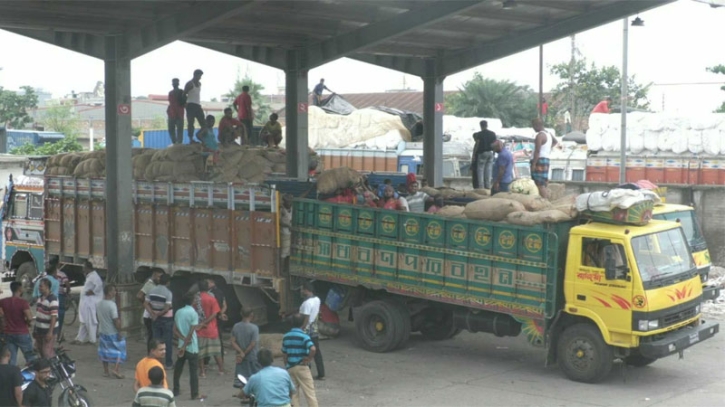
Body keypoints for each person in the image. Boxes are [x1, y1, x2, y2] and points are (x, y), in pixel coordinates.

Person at [281, 313, 318, 407]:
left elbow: (284, 353)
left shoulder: (286, 336)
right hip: (302, 367)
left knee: (293, 394)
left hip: (291, 367)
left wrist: (287, 365)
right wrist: (309, 358)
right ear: (303, 323)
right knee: (310, 393)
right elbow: (313, 348)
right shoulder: (304, 336)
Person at [173, 293, 203, 401]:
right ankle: (194, 393)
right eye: (195, 299)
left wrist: (182, 340)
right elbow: (191, 332)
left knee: (178, 369)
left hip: (181, 345)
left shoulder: (178, 312)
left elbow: (175, 330)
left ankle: (176, 390)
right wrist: (185, 344)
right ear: (192, 301)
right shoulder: (193, 313)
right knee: (193, 371)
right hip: (191, 347)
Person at [0, 282, 35, 366]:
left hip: (8, 333)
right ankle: (33, 375)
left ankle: (11, 376)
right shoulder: (23, 302)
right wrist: (28, 322)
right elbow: (29, 318)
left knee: (11, 358)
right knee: (30, 357)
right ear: (20, 289)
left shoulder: (3, 301)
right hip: (22, 333)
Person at [97, 284, 126, 379]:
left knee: (104, 351)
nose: (115, 292)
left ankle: (106, 371)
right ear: (109, 292)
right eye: (113, 290)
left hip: (102, 330)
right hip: (112, 331)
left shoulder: (99, 303)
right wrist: (119, 331)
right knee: (120, 350)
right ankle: (116, 369)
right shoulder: (112, 305)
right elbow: (115, 320)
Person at [196, 280, 224, 378]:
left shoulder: (196, 298)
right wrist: (206, 322)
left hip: (200, 329)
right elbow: (215, 313)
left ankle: (202, 372)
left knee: (201, 353)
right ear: (208, 287)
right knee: (216, 351)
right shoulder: (211, 298)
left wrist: (202, 323)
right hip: (212, 329)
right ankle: (221, 370)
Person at [146, 273, 174, 369]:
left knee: (156, 341)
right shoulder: (168, 293)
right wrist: (158, 314)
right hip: (166, 319)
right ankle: (168, 363)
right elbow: (166, 308)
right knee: (167, 341)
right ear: (168, 282)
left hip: (154, 319)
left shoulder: (152, 290)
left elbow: (146, 303)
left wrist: (152, 313)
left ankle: (155, 361)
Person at [231, 309, 260, 399]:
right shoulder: (254, 328)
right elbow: (253, 344)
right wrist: (245, 353)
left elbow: (232, 341)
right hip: (252, 356)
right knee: (254, 374)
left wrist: (240, 352)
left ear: (241, 314)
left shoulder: (236, 326)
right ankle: (254, 394)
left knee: (241, 375)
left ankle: (243, 394)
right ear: (252, 314)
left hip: (240, 357)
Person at [73, 260, 103, 345]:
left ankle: (92, 340)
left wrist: (94, 292)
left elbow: (99, 285)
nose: (83, 269)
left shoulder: (94, 276)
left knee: (90, 321)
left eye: (84, 267)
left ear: (87, 268)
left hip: (90, 302)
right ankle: (79, 338)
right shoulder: (89, 276)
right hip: (86, 302)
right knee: (84, 321)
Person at [299, 282, 324, 381]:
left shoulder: (307, 303)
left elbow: (306, 318)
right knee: (317, 351)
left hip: (307, 329)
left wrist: (301, 329)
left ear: (306, 290)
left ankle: (307, 373)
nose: (301, 291)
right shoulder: (317, 299)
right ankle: (321, 373)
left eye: (302, 289)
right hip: (314, 328)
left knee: (305, 351)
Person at [137, 269, 164, 352]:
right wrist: (148, 306)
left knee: (154, 336)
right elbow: (139, 295)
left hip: (154, 315)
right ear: (154, 275)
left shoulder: (157, 285)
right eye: (159, 277)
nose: (160, 279)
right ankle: (150, 353)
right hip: (149, 316)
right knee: (152, 336)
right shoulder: (149, 284)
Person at [531, 118, 558, 199]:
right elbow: (555, 141)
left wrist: (534, 164)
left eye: (533, 126)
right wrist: (548, 148)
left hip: (539, 160)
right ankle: (544, 199)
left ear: (537, 125)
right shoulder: (549, 134)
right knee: (543, 182)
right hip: (546, 159)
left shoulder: (540, 136)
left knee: (539, 184)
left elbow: (537, 151)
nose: (533, 128)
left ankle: (545, 201)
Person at [33, 279, 58, 359]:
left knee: (47, 352)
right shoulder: (40, 298)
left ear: (47, 287)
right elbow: (38, 315)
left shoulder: (53, 299)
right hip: (40, 330)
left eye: (41, 286)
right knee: (40, 350)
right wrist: (35, 329)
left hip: (47, 330)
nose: (39, 288)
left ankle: (51, 368)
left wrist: (50, 332)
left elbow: (53, 317)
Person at [205, 278, 227, 365]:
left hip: (212, 318)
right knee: (219, 338)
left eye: (207, 282)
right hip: (219, 317)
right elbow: (225, 305)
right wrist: (221, 313)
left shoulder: (210, 294)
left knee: (207, 338)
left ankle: (206, 359)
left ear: (212, 282)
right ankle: (221, 358)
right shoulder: (220, 292)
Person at [473, 120, 497, 190]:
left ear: (480, 126)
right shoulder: (492, 134)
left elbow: (477, 144)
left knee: (480, 169)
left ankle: (481, 187)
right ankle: (488, 186)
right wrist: (494, 153)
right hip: (490, 152)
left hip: (482, 153)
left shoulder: (479, 134)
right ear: (487, 125)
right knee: (488, 169)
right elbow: (495, 144)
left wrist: (474, 154)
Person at [184, 69, 206, 142]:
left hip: (197, 105)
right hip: (190, 105)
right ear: (195, 75)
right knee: (191, 123)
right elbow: (184, 94)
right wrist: (185, 103)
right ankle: (191, 139)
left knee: (203, 123)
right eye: (199, 76)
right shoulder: (190, 84)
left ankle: (201, 136)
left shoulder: (199, 84)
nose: (200, 77)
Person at [53, 258, 71, 343]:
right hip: (60, 296)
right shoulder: (61, 274)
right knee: (60, 316)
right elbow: (67, 285)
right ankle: (58, 335)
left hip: (50, 297)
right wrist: (67, 293)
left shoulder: (47, 275)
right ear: (58, 264)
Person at [167, 78, 185, 145]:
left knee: (180, 129)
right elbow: (171, 103)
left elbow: (184, 102)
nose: (174, 84)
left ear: (178, 83)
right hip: (172, 113)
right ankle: (174, 142)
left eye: (176, 82)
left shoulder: (182, 92)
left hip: (179, 113)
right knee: (171, 129)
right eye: (173, 82)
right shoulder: (170, 93)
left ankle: (179, 143)